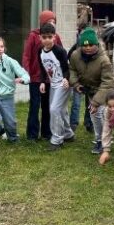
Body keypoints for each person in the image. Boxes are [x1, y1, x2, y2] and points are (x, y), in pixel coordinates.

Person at [69, 27, 114, 155]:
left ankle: (103, 140)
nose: (88, 48)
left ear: (96, 44)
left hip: (103, 91)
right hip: (89, 90)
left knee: (101, 114)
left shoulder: (104, 60)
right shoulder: (75, 55)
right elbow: (72, 69)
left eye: (91, 45)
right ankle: (101, 138)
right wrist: (76, 83)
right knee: (94, 115)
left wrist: (96, 102)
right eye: (84, 45)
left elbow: (107, 82)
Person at [22, 10, 63, 141]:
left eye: (54, 22)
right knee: (34, 105)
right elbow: (27, 55)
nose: (52, 24)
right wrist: (26, 73)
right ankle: (32, 135)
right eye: (49, 21)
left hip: (50, 78)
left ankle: (47, 132)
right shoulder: (33, 36)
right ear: (42, 22)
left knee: (47, 106)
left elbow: (61, 55)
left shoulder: (56, 37)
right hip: (35, 78)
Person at [38, 22, 74, 151]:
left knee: (54, 109)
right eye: (44, 37)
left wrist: (65, 79)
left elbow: (67, 68)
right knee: (61, 110)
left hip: (63, 84)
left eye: (50, 37)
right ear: (40, 38)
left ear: (54, 37)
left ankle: (57, 140)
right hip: (53, 84)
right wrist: (43, 81)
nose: (47, 40)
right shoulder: (40, 51)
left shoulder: (60, 51)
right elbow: (42, 68)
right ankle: (68, 134)